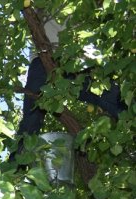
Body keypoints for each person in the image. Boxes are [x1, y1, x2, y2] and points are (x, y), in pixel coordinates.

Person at [11, 10, 125, 163]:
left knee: (117, 97)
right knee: (31, 119)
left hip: (77, 60)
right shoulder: (38, 6)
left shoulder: (82, 7)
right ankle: (15, 170)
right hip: (43, 59)